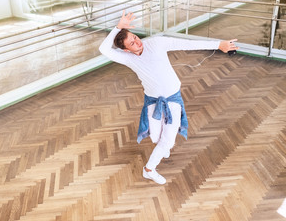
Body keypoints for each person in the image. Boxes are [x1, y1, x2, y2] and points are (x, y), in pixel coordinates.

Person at [99, 11, 238, 185]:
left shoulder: (156, 43)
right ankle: (163, 147)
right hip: (152, 101)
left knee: (167, 140)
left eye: (135, 37)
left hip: (173, 98)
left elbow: (185, 44)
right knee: (157, 138)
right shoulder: (127, 58)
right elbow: (103, 49)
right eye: (132, 43)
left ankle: (149, 170)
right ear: (127, 50)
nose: (137, 42)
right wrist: (118, 27)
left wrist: (219, 44)